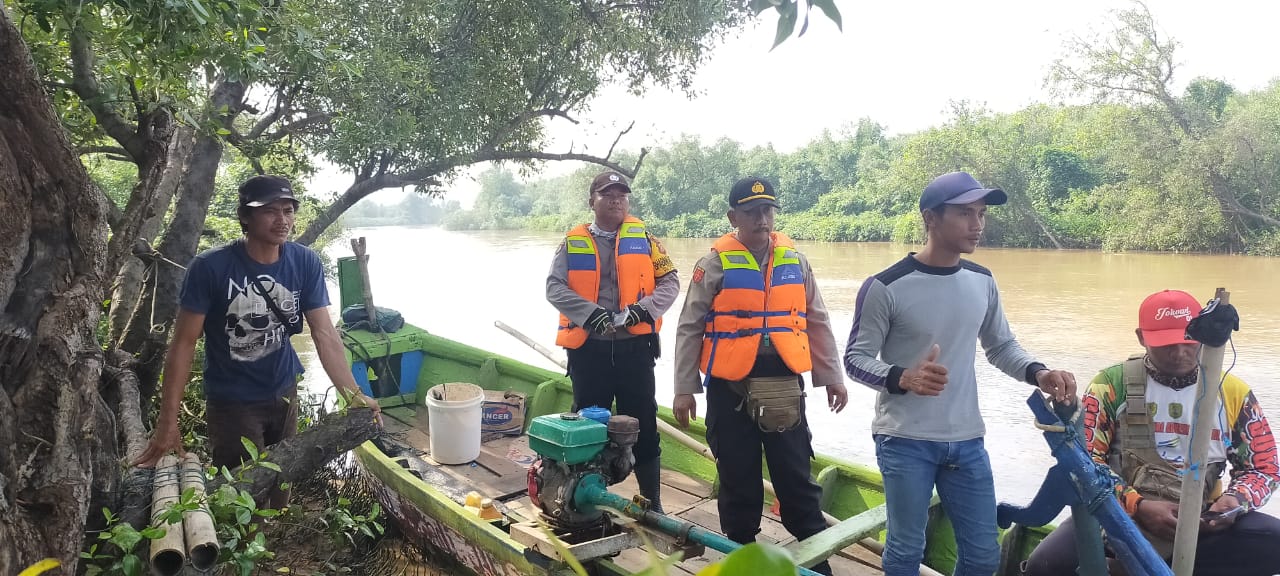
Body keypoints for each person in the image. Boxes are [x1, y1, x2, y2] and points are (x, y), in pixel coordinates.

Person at [844, 171, 1077, 576]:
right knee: (905, 549)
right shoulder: (886, 285)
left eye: (982, 213)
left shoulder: (981, 281)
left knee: (984, 553)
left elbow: (1000, 346)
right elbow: (855, 359)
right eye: (965, 213)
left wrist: (1038, 372)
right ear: (930, 218)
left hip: (967, 440)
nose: (978, 224)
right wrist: (904, 377)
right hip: (904, 439)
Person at [134, 175, 381, 508]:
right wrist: (168, 422)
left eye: (289, 210)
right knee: (242, 500)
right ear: (245, 217)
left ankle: (267, 548)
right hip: (232, 403)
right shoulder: (210, 268)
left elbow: (324, 333)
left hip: (283, 394)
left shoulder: (304, 262)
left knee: (280, 491)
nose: (283, 220)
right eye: (270, 211)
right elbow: (183, 344)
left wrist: (353, 395)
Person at [1024, 289, 1280, 576]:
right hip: (1116, 516)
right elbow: (1087, 463)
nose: (1179, 353)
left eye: (1187, 341)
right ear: (1141, 337)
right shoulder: (1110, 385)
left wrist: (1233, 504)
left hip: (1201, 521)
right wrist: (1137, 505)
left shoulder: (1233, 393)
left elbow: (1263, 468)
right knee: (1045, 565)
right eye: (1165, 343)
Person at [673, 177, 849, 576]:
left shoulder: (796, 261)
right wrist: (684, 389)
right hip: (728, 389)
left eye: (768, 210)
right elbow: (689, 327)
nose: (762, 219)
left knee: (798, 485)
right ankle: (743, 562)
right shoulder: (713, 264)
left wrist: (831, 377)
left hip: (784, 387)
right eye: (752, 212)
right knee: (738, 484)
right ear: (733, 216)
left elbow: (817, 320)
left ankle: (818, 568)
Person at [546, 170, 679, 512]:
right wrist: (591, 314)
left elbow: (670, 283)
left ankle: (653, 503)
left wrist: (643, 310)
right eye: (608, 194)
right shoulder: (573, 243)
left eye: (622, 194)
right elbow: (554, 288)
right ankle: (583, 499)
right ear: (592, 201)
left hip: (636, 351)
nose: (616, 200)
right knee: (589, 426)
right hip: (590, 352)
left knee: (644, 426)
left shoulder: (647, 240)